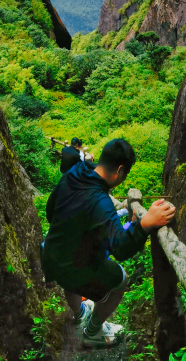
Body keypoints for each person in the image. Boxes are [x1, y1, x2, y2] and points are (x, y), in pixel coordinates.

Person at [42, 137, 175, 348]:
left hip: (50, 256)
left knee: (71, 271)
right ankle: (92, 332)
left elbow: (50, 210)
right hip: (71, 268)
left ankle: (78, 315)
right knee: (120, 279)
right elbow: (120, 248)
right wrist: (145, 223)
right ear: (120, 170)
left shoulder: (75, 172)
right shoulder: (100, 201)